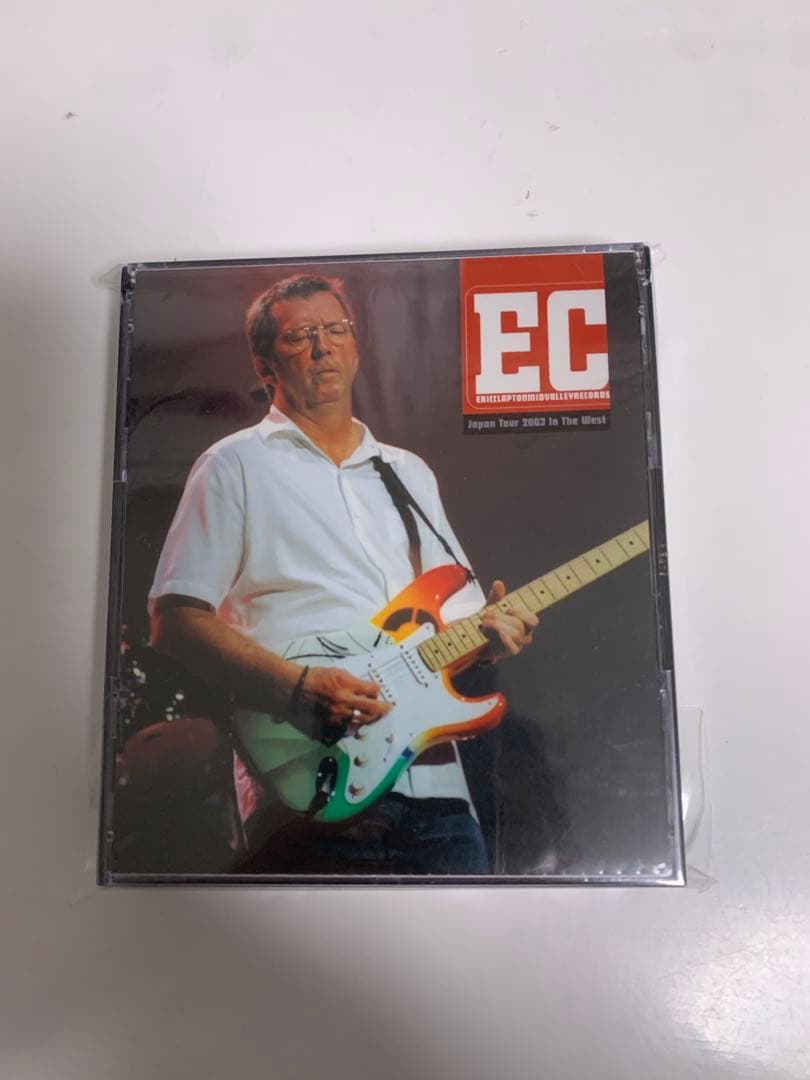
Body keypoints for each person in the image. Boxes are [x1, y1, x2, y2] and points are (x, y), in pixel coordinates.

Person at [148, 273, 538, 875]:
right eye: (300, 335)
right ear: (265, 365)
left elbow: (452, 619)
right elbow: (175, 620)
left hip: (438, 791)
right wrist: (296, 689)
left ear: (356, 349)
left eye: (335, 329)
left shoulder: (408, 472)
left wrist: (491, 633)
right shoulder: (233, 464)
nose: (322, 346)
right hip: (307, 783)